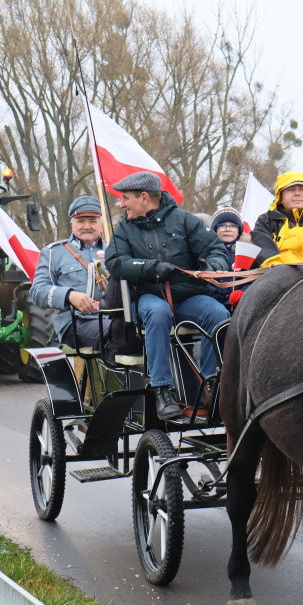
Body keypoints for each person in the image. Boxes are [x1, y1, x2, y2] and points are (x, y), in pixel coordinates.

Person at [104, 171, 230, 421]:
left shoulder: (185, 220)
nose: (121, 204)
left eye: (125, 198)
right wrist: (151, 268)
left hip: (188, 298)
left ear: (144, 198)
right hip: (149, 298)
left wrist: (210, 267)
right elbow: (115, 263)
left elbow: (216, 249)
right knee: (158, 312)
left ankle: (211, 386)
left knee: (219, 314)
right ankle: (162, 390)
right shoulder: (124, 229)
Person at [29, 195, 111, 349]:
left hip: (112, 318)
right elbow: (37, 292)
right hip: (75, 322)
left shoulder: (114, 251)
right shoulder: (53, 252)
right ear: (72, 224)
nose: (87, 226)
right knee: (117, 333)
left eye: (93, 221)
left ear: (101, 224)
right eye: (81, 221)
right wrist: (69, 295)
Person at [207, 207, 248, 308]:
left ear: (239, 231)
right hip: (212, 304)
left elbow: (251, 280)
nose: (228, 229)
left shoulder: (246, 252)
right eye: (222, 225)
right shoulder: (206, 251)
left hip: (240, 306)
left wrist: (242, 294)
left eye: (233, 226)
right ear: (215, 229)